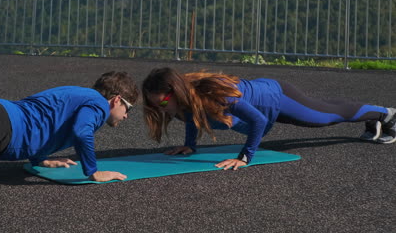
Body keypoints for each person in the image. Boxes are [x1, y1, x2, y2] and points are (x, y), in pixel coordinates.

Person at [142, 67, 395, 171]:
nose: (160, 108)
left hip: (276, 97)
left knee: (324, 118)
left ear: (177, 91)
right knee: (326, 110)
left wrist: (244, 157)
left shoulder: (215, 97)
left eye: (162, 102)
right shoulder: (183, 102)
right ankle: (370, 114)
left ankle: (385, 114)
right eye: (154, 105)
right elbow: (191, 117)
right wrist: (191, 145)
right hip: (263, 98)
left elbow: (259, 123)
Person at [0, 71, 139, 182]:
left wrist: (40, 158)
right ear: (116, 99)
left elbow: (45, 117)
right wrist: (93, 172)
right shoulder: (100, 105)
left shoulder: (80, 94)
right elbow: (81, 132)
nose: (127, 115)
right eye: (128, 108)